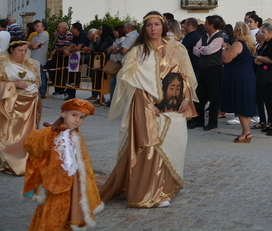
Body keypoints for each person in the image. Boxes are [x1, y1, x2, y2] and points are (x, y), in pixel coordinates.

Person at [100, 11, 197, 208]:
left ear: (163, 26)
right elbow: (131, 83)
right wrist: (148, 105)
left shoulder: (176, 48)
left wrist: (186, 98)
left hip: (174, 108)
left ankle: (166, 187)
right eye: (149, 25)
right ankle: (151, 191)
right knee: (151, 147)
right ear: (144, 28)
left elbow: (184, 76)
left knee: (174, 144)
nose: (153, 29)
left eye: (157, 24)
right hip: (147, 107)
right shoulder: (138, 52)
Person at [23, 98, 103, 230]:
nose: (77, 120)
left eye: (82, 118)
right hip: (54, 186)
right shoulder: (51, 133)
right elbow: (31, 145)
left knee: (68, 215)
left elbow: (83, 162)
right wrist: (47, 133)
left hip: (72, 184)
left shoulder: (76, 135)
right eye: (74, 115)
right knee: (51, 217)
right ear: (64, 114)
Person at [1, 41, 43, 175]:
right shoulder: (2, 64)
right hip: (12, 104)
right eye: (20, 50)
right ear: (11, 49)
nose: (23, 53)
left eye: (25, 50)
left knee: (28, 133)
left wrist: (37, 83)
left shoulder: (29, 63)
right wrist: (14, 83)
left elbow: (37, 79)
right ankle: (9, 160)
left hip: (30, 104)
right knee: (11, 133)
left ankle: (28, 158)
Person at [220, 22, 259, 142]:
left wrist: (223, 48)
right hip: (247, 76)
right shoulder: (249, 44)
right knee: (245, 104)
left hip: (239, 78)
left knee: (241, 105)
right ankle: (246, 132)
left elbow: (226, 59)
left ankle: (246, 132)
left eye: (235, 30)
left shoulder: (238, 44)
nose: (233, 32)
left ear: (238, 31)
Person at [189, 15, 225, 131]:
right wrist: (203, 50)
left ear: (212, 25)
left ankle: (212, 122)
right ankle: (199, 120)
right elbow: (196, 49)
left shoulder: (219, 38)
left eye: (206, 23)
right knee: (200, 95)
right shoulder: (204, 36)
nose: (204, 25)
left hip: (214, 69)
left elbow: (209, 50)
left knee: (214, 96)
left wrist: (202, 50)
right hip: (204, 69)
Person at [255, 22, 272, 135]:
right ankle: (271, 124)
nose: (262, 34)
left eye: (264, 32)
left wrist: (260, 58)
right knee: (267, 100)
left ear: (271, 33)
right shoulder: (267, 43)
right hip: (267, 77)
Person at [28, 20, 50, 98]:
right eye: (35, 26)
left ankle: (42, 93)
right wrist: (33, 45)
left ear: (43, 27)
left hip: (39, 60)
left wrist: (33, 45)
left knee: (41, 76)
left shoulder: (43, 35)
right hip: (33, 59)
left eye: (38, 26)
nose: (35, 27)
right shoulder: (36, 35)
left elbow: (33, 46)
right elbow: (29, 44)